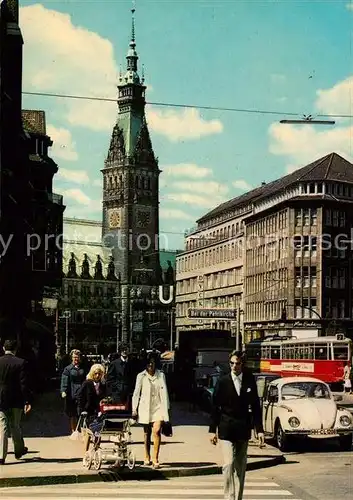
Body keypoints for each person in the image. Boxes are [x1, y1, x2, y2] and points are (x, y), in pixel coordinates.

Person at [209, 350, 264, 500]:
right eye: (232, 363)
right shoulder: (223, 381)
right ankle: (229, 497)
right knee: (228, 464)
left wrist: (259, 430)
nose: (234, 366)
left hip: (243, 428)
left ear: (242, 364)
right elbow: (215, 406)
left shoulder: (249, 380)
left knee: (240, 467)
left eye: (237, 363)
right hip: (226, 428)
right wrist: (212, 430)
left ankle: (238, 497)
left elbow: (255, 406)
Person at [132, 354, 170, 469]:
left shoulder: (161, 375)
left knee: (157, 431)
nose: (150, 365)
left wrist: (167, 408)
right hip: (145, 408)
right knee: (146, 433)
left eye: (152, 362)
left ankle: (155, 458)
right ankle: (147, 456)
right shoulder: (141, 376)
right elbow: (136, 393)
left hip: (158, 407)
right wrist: (134, 409)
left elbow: (165, 392)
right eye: (148, 363)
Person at [0, 339, 32, 465]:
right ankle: (19, 450)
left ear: (4, 348)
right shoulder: (21, 362)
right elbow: (23, 384)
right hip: (16, 397)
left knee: (2, 426)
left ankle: (1, 456)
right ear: (15, 349)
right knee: (15, 425)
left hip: (1, 397)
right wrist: (27, 400)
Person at [78, 364, 106, 452]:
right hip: (88, 411)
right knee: (89, 432)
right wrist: (81, 410)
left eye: (99, 374)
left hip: (99, 411)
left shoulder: (103, 385)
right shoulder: (87, 383)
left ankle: (96, 451)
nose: (97, 376)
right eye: (96, 373)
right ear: (92, 373)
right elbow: (80, 397)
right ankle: (86, 453)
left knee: (98, 432)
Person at [60, 349, 86, 434]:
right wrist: (63, 390)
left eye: (77, 357)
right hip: (72, 392)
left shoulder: (83, 368)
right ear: (71, 358)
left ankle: (82, 430)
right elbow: (64, 380)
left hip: (81, 392)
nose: (76, 359)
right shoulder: (68, 369)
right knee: (72, 413)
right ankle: (73, 430)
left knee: (81, 412)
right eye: (74, 357)